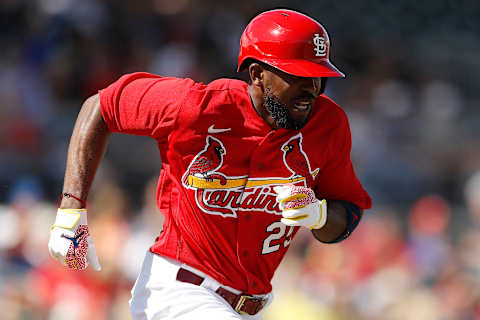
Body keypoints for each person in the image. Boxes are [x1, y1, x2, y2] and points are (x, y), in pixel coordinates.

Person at [48, 8, 372, 320]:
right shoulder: (198, 106)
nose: (312, 89)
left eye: (319, 77)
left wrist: (319, 214)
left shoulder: (329, 125)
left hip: (249, 308)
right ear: (258, 74)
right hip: (178, 292)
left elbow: (348, 213)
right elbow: (101, 106)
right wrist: (71, 208)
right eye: (298, 76)